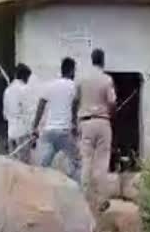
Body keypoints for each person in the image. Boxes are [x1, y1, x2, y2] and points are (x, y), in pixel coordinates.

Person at [77, 48, 117, 209]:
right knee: (102, 162)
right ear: (103, 61)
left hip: (85, 122)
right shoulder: (107, 80)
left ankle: (83, 198)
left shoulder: (82, 79)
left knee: (86, 160)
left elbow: (75, 99)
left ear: (92, 60)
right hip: (102, 122)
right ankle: (101, 200)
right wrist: (111, 113)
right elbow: (112, 102)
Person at [32, 57, 82, 183]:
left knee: (44, 164)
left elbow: (41, 105)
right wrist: (75, 126)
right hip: (64, 132)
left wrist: (35, 127)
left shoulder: (51, 85)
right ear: (71, 71)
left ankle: (38, 186)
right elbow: (74, 109)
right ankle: (77, 192)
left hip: (48, 132)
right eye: (74, 70)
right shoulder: (73, 87)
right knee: (76, 163)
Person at [2, 63, 36, 164]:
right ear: (25, 76)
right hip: (23, 133)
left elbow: (4, 115)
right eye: (28, 78)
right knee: (23, 167)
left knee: (12, 166)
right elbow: (29, 113)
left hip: (11, 133)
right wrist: (33, 133)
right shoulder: (25, 89)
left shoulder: (7, 91)